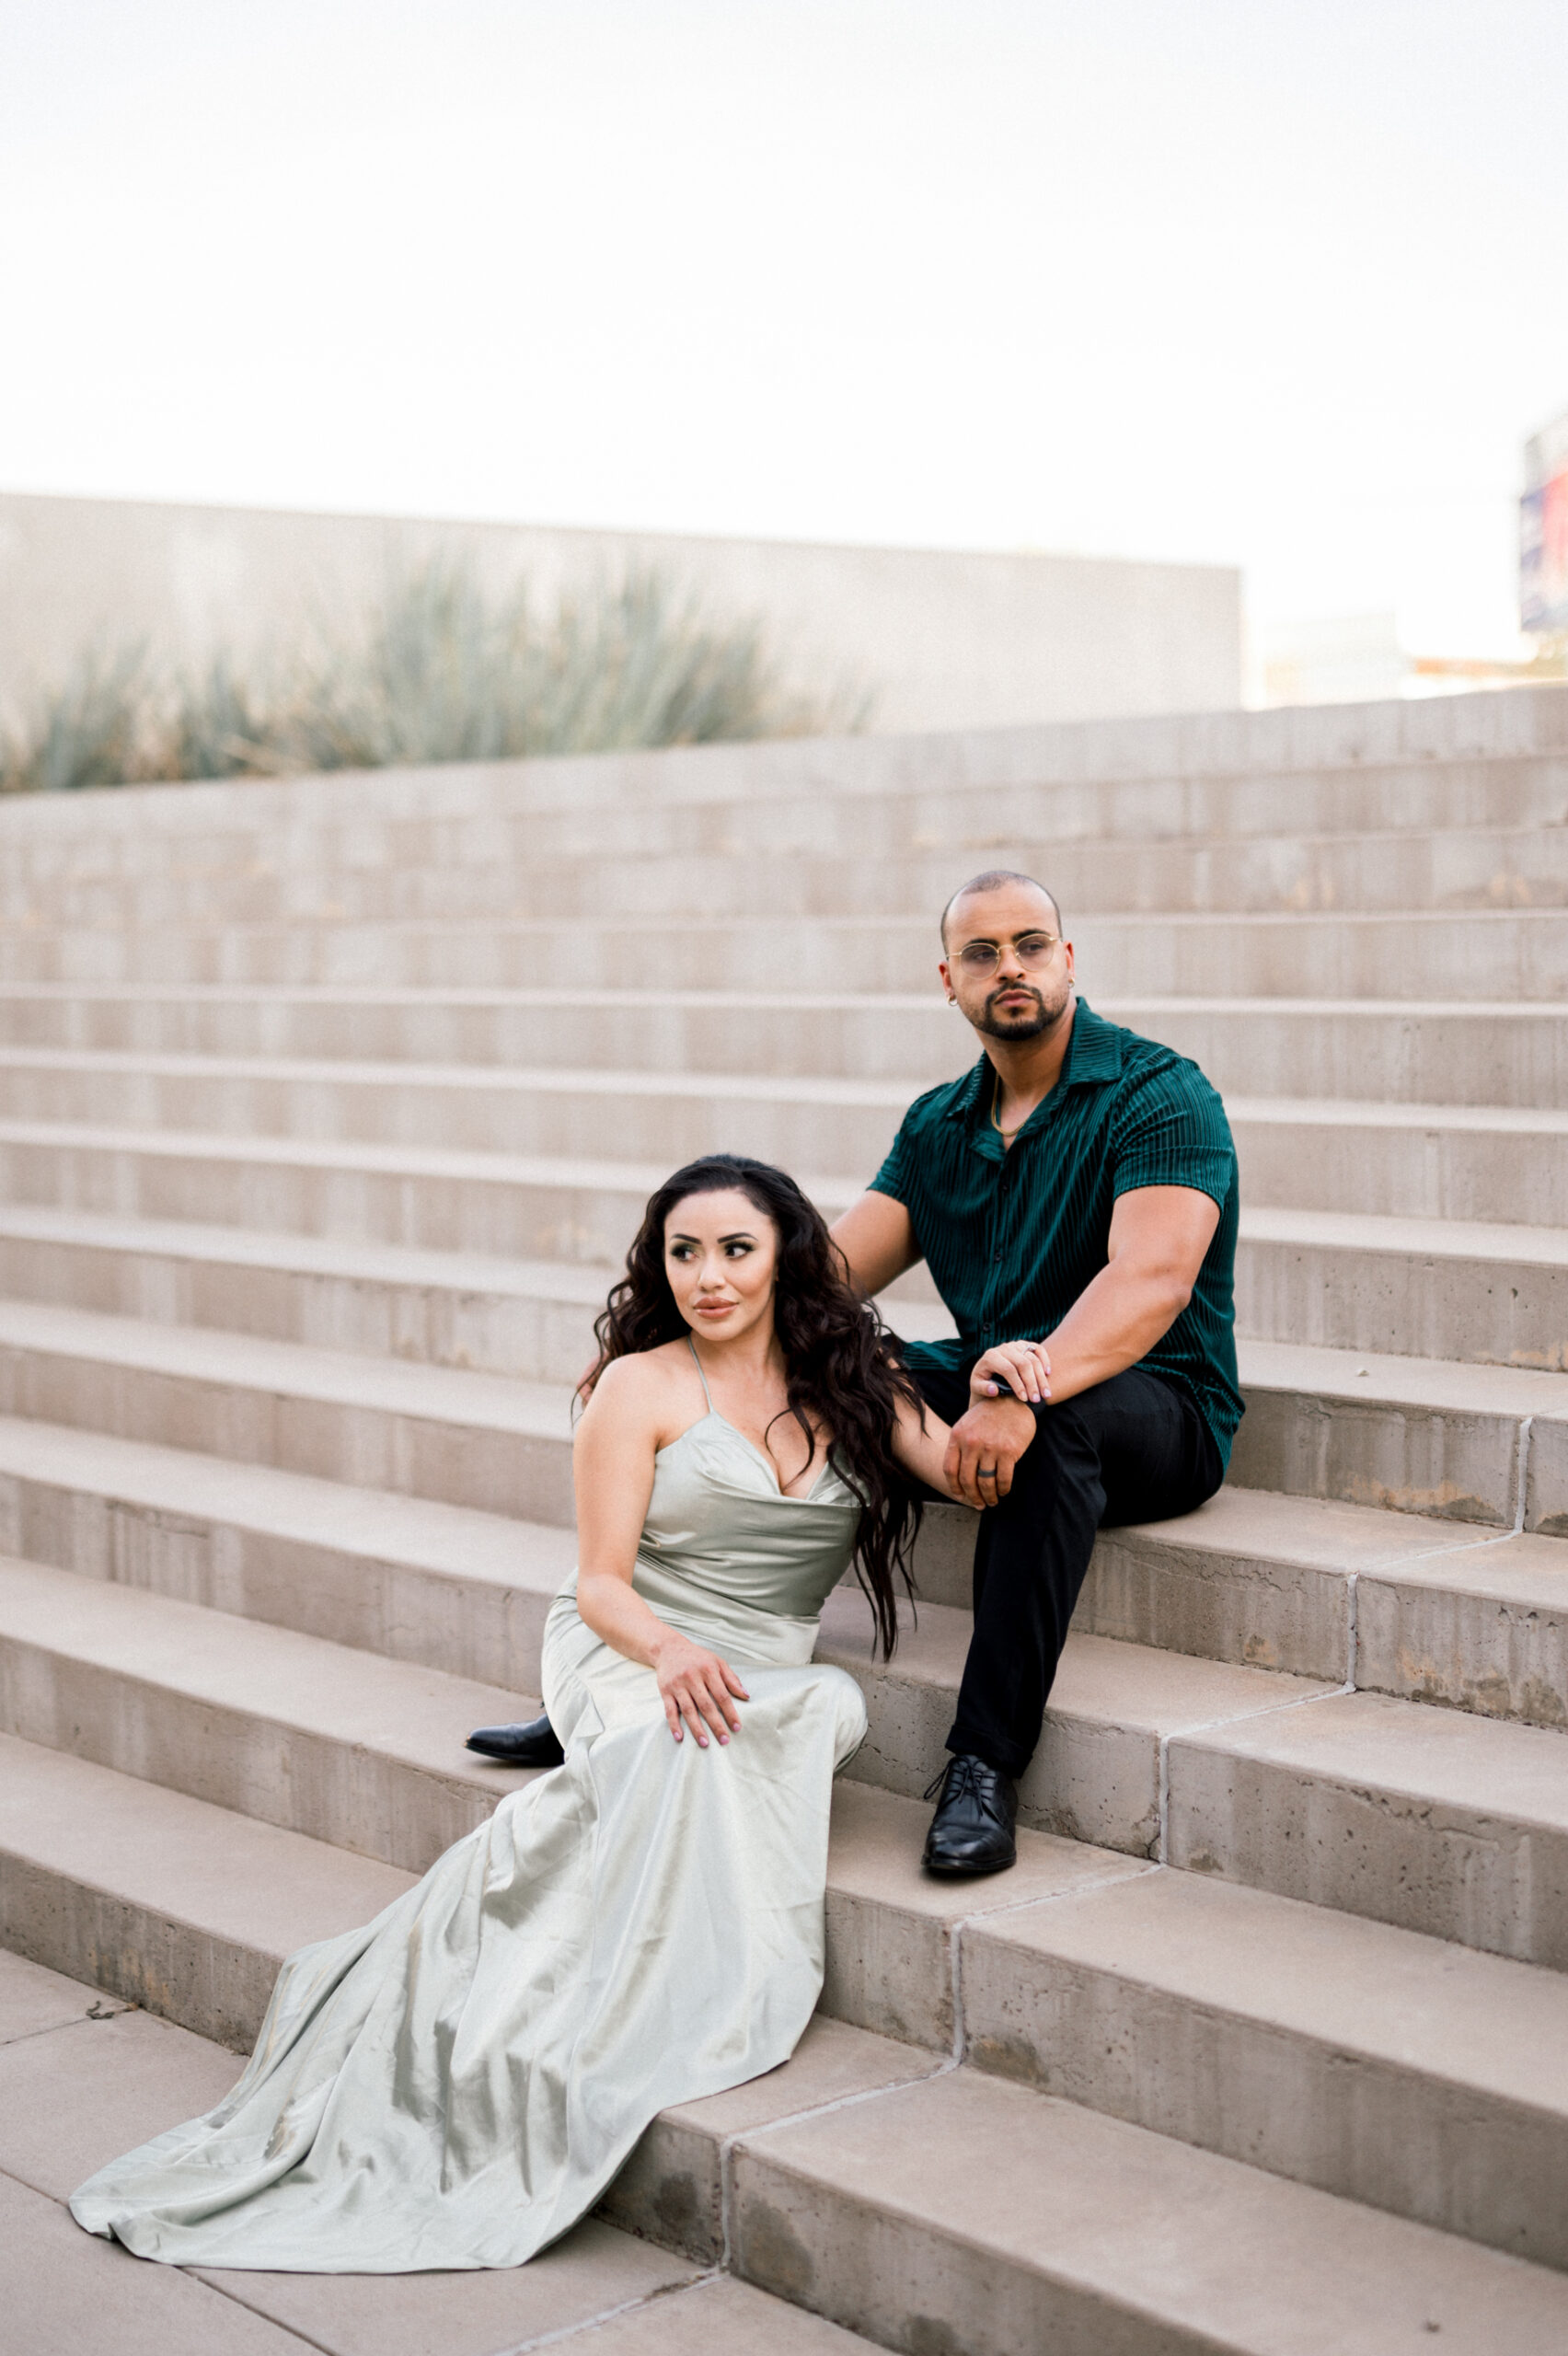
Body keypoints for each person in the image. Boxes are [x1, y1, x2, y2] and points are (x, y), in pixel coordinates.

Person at [71, 1154, 997, 2274]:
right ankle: (563, 1999)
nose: (708, 1275)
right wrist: (665, 1650)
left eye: (735, 1249)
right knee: (688, 1728)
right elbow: (602, 1581)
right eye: (684, 1251)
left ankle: (660, 1979)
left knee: (814, 1703)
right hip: (629, 1643)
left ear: (788, 1256)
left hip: (764, 1658)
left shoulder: (857, 1375)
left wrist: (1012, 1384)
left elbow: (966, 1475)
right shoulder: (639, 1386)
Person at [829, 869, 1242, 1877]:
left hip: (1158, 1401)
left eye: (1029, 944)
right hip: (995, 1378)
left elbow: (1150, 1282)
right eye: (982, 952)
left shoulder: (1158, 1092)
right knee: (816, 1369)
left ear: (1067, 959)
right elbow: (826, 1279)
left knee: (1053, 1426)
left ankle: (982, 1762)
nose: (1008, 967)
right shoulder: (938, 1124)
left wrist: (1021, 1390)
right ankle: (653, 1667)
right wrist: (660, 1337)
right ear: (950, 980)